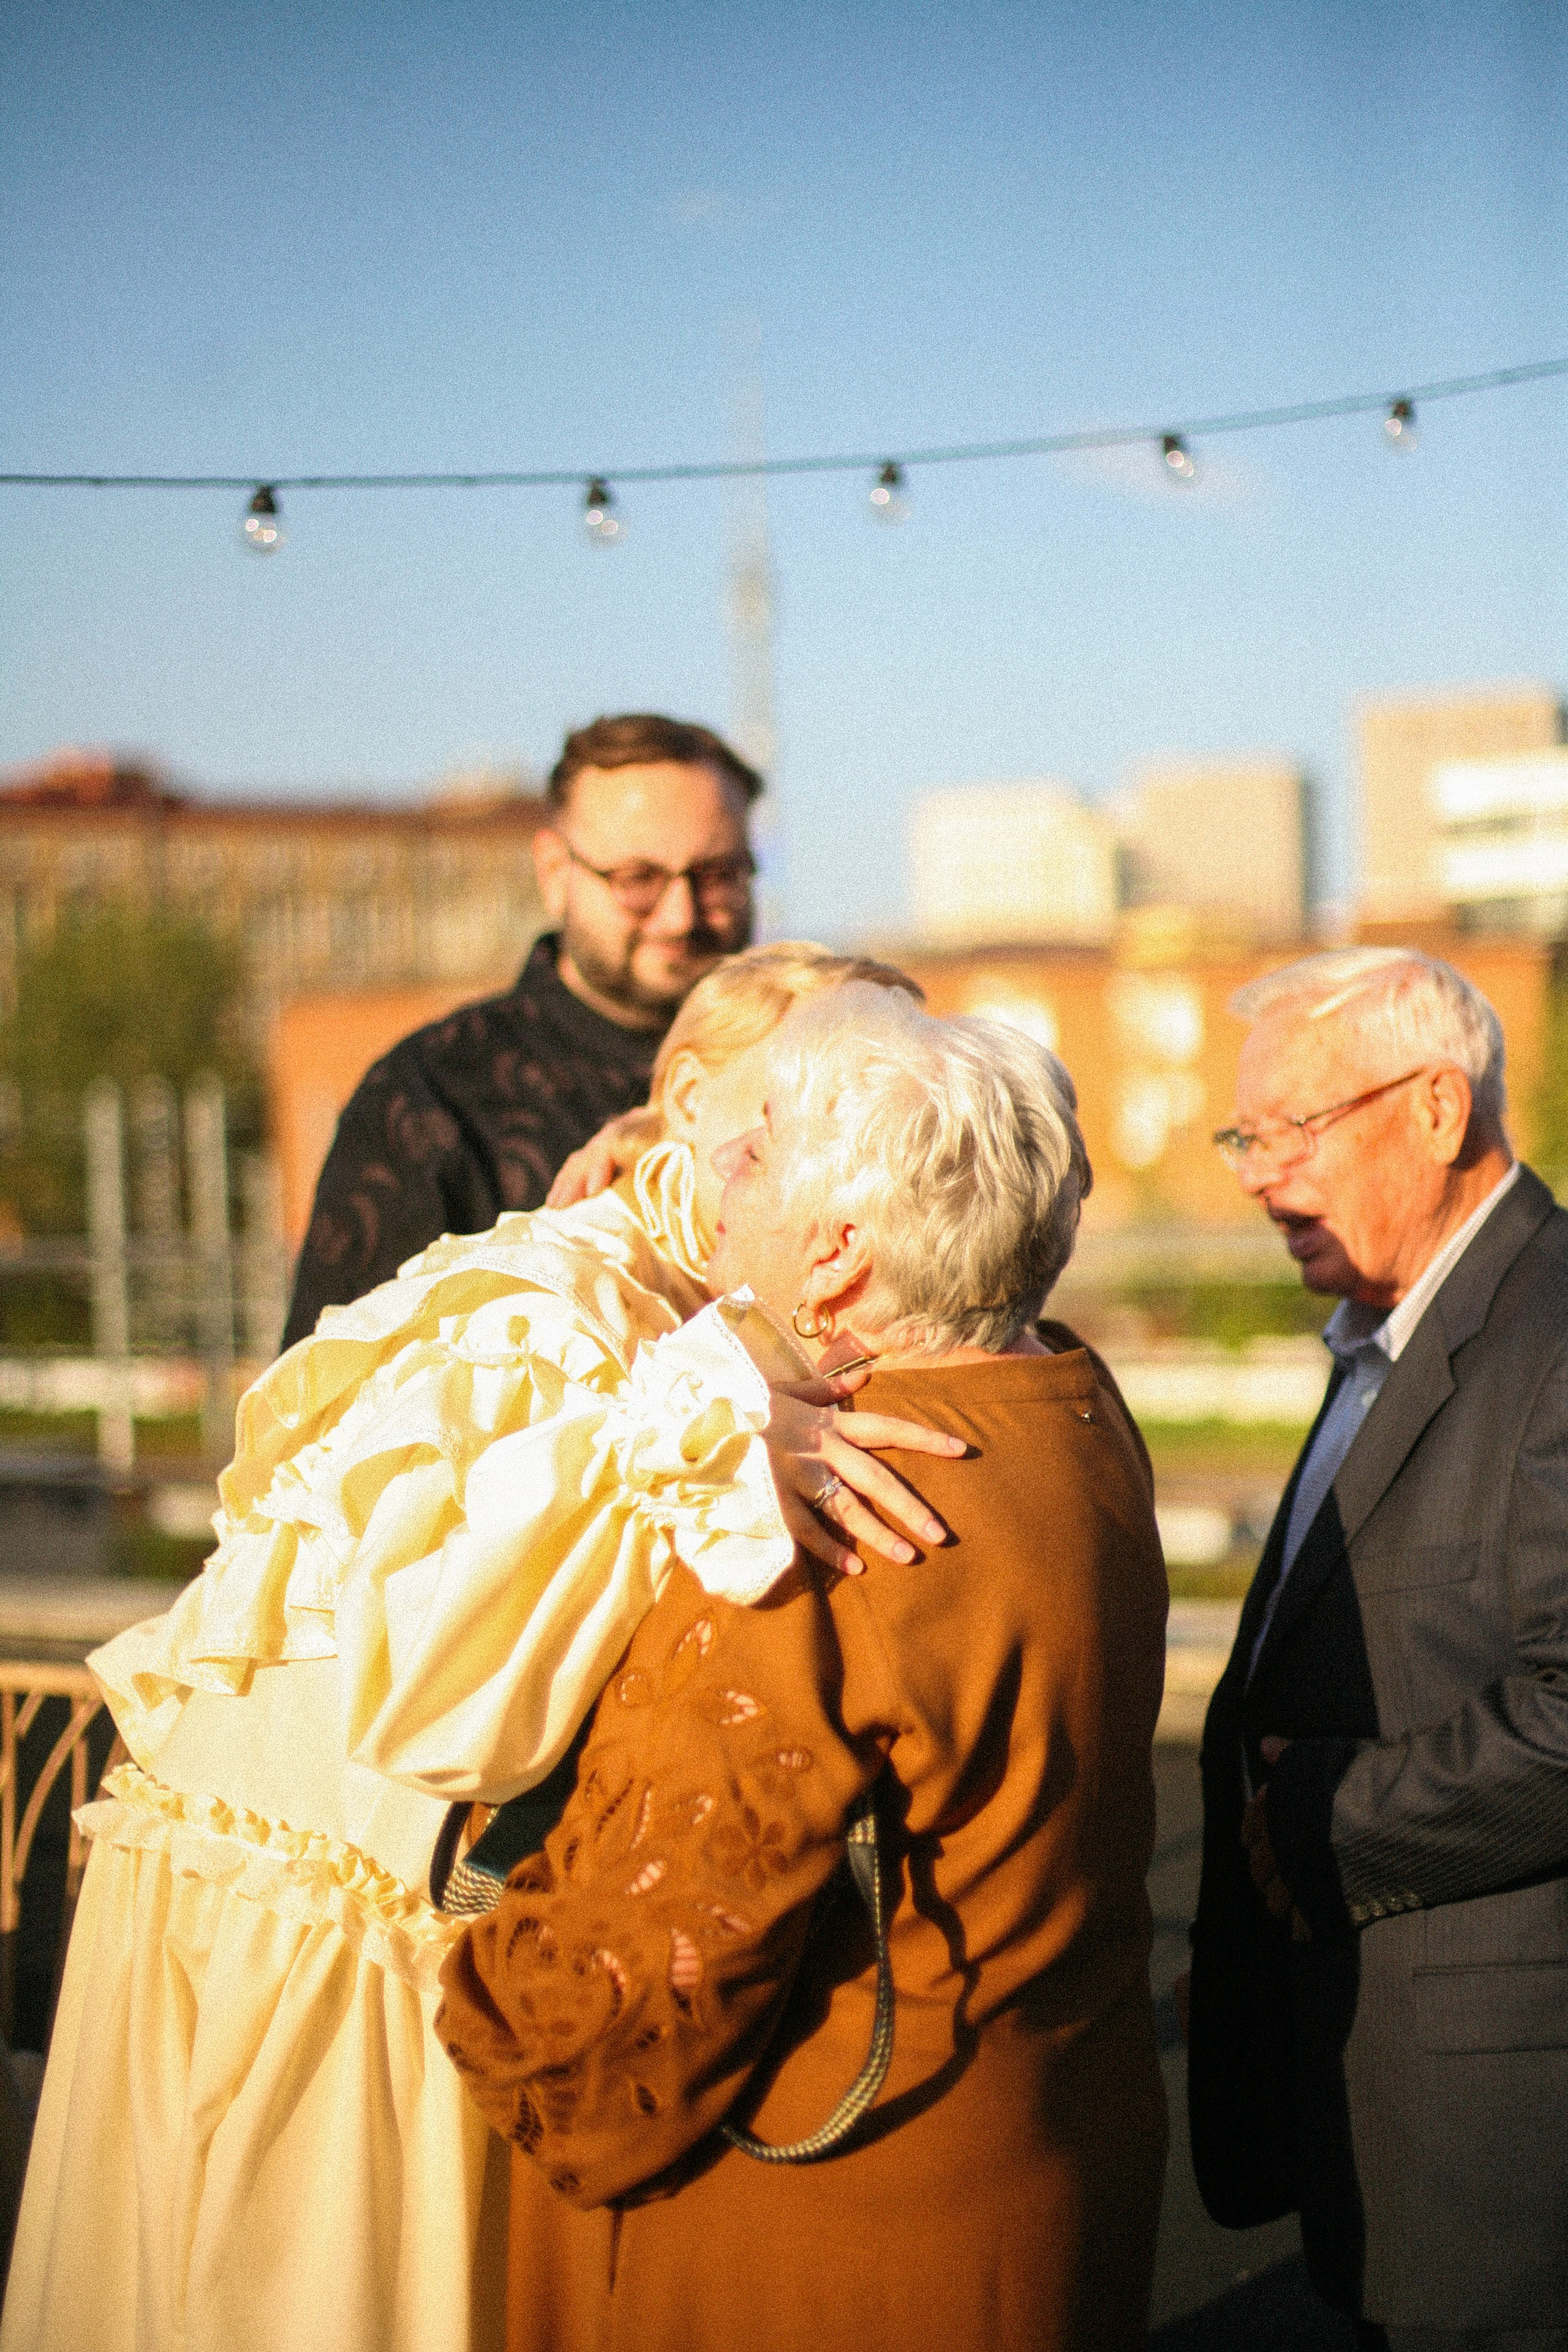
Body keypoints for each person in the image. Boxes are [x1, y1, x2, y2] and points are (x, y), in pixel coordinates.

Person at [2, 948, 960, 2352]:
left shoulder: (668, 1302)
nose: (852, 1154)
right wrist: (706, 1431)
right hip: (333, 1940)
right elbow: (446, 1697)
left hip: (372, 1909)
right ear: (689, 1101)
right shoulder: (552, 1307)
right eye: (819, 1105)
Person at [436, 983, 1171, 2352]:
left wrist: (473, 1925)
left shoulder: (826, 1526)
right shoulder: (1067, 1402)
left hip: (823, 2242)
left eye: (760, 1144)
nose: (722, 1164)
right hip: (1050, 2171)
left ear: (834, 1256)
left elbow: (605, 2021)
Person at [1186, 948, 1568, 2349]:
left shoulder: (1551, 1329)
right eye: (1243, 1134)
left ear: (1432, 1109)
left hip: (1506, 2147)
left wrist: (1313, 1816)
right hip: (1367, 2103)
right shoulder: (1377, 1334)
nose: (1250, 1172)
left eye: (1291, 1127)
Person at [282, 712, 762, 1348]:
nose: (680, 915)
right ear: (554, 873)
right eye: (638, 881)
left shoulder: (816, 1063)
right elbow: (330, 1408)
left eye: (716, 875)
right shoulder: (429, 1097)